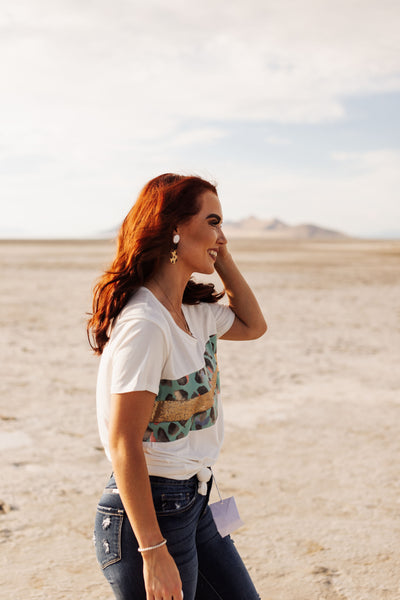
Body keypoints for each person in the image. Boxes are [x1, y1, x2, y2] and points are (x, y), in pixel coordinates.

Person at [88, 173, 267, 600]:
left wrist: (219, 256)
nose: (221, 235)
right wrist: (152, 551)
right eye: (213, 221)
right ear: (173, 227)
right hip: (149, 513)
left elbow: (253, 326)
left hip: (198, 498)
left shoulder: (196, 312)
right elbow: (124, 443)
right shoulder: (145, 325)